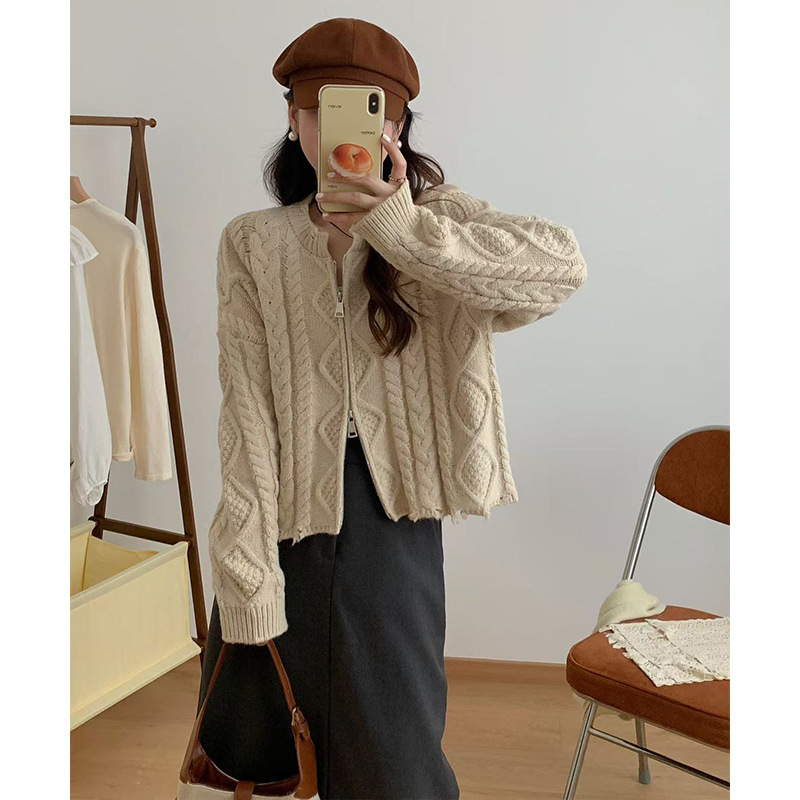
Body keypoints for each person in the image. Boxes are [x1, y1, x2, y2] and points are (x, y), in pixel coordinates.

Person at [195, 16, 588, 800]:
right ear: (293, 118)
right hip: (280, 510)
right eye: (321, 109)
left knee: (394, 750)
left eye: (371, 110)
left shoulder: (440, 223)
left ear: (397, 125)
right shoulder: (254, 242)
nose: (341, 129)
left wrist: (399, 230)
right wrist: (246, 572)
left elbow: (560, 268)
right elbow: (247, 416)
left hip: (391, 516)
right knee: (259, 753)